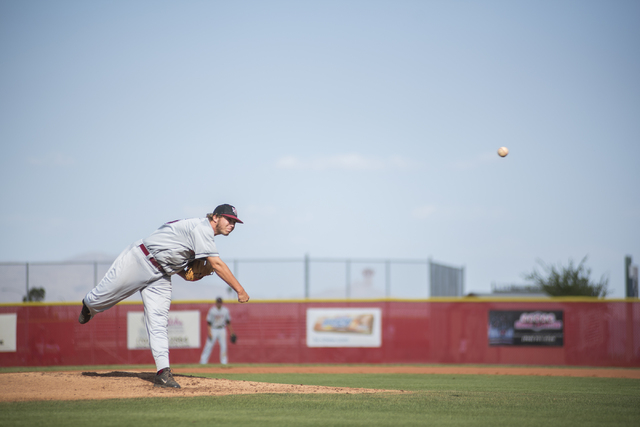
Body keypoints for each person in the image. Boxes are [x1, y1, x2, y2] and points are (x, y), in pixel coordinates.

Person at [78, 204, 250, 389]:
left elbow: (176, 256)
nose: (232, 224)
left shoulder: (203, 235)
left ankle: (163, 372)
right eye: (229, 219)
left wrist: (185, 275)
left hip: (161, 275)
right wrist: (239, 290)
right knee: (102, 298)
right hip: (140, 260)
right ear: (215, 217)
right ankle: (89, 305)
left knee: (158, 322)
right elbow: (216, 264)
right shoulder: (202, 228)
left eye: (234, 222)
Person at [199, 297, 234, 365]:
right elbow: (209, 322)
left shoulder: (225, 310)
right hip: (213, 329)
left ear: (221, 303)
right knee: (208, 346)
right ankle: (203, 362)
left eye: (220, 302)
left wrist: (232, 332)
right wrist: (209, 332)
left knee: (223, 346)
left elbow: (228, 322)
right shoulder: (212, 310)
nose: (219, 303)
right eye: (218, 302)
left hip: (222, 329)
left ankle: (224, 362)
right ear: (216, 303)